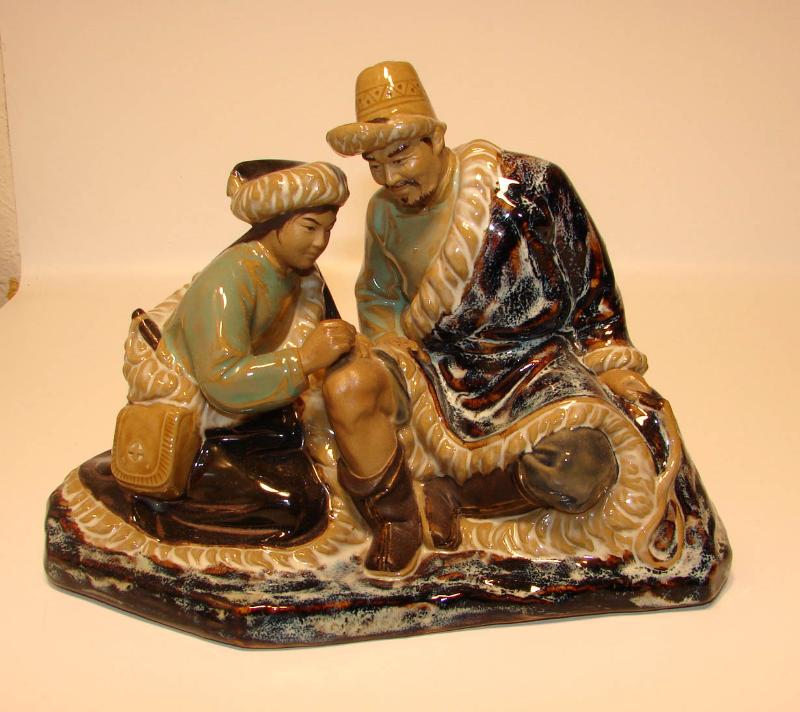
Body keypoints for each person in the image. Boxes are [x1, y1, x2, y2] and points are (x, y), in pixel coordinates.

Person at [323, 61, 659, 574]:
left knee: (578, 468)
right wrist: (388, 342)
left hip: (534, 364)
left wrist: (610, 357)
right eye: (375, 164)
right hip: (435, 364)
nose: (390, 178)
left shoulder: (529, 185)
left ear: (437, 138)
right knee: (345, 390)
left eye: (401, 156)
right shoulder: (384, 213)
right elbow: (378, 294)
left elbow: (591, 279)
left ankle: (452, 494)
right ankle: (398, 515)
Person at [112, 159, 355, 510]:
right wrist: (302, 361)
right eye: (309, 227)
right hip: (210, 415)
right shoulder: (226, 283)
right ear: (274, 223)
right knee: (293, 501)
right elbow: (222, 381)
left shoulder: (302, 275)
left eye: (328, 229)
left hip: (268, 404)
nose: (321, 242)